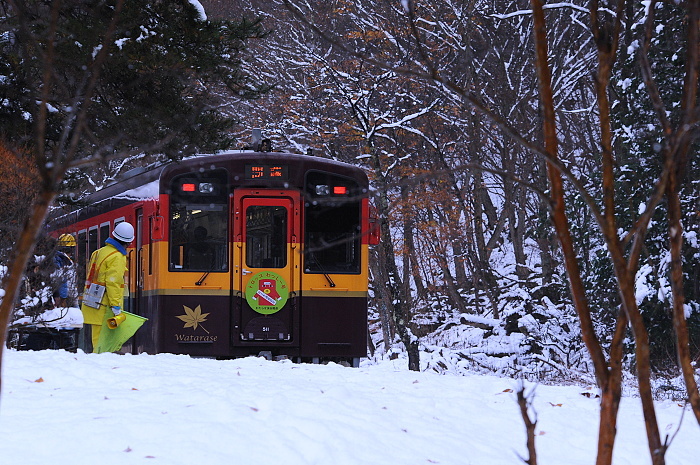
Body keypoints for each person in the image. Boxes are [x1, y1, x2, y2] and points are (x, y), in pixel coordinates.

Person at [80, 222, 134, 352]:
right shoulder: (117, 257)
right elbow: (113, 282)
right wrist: (116, 306)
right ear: (128, 242)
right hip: (106, 306)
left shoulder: (98, 252)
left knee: (97, 342)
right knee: (104, 346)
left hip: (93, 302)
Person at [53, 233, 76, 308]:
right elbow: (62, 280)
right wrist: (63, 298)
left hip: (67, 296)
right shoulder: (63, 261)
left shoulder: (62, 260)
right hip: (66, 297)